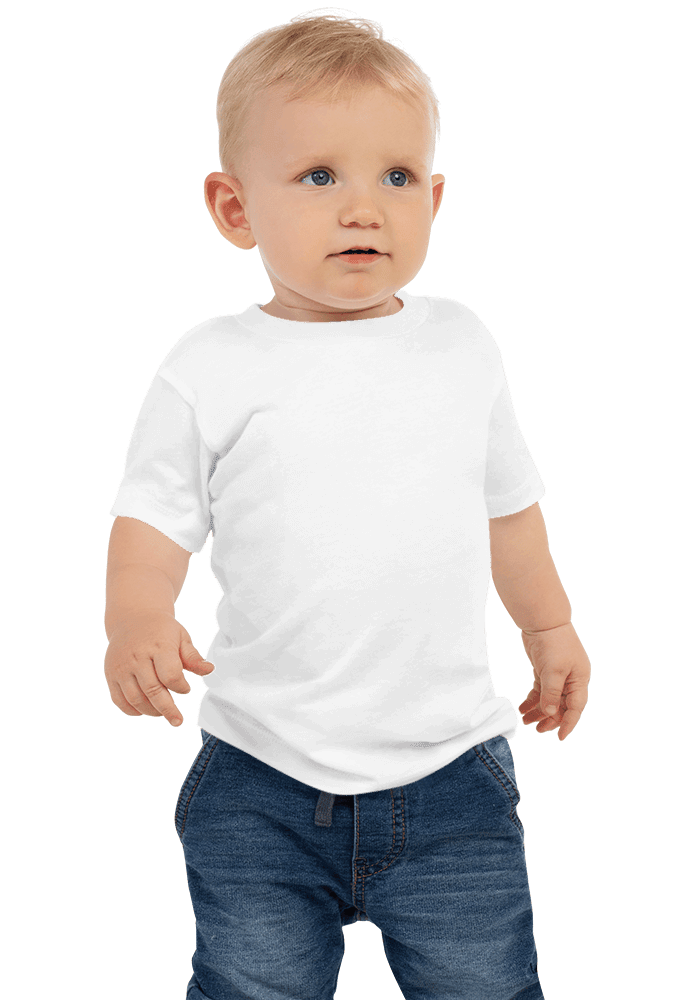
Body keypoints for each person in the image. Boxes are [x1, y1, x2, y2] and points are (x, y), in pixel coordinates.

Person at [104, 12, 591, 1000]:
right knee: (251, 987)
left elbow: (508, 506)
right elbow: (151, 519)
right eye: (320, 176)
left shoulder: (462, 349)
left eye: (397, 177)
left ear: (434, 199)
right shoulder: (210, 367)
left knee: (489, 987)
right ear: (234, 207)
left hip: (453, 776)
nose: (363, 208)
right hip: (262, 778)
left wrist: (550, 627)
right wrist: (136, 619)